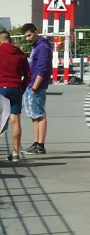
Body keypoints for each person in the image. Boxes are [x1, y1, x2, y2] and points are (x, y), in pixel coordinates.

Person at [20, 22, 51, 154]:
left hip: (36, 85)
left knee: (39, 114)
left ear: (36, 32)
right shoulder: (36, 46)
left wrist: (35, 86)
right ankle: (36, 142)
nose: (28, 38)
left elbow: (43, 68)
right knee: (34, 115)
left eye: (29, 35)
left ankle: (40, 144)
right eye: (26, 36)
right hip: (31, 84)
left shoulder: (42, 47)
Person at [0, 29, 30, 160]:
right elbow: (28, 75)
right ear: (10, 40)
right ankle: (16, 152)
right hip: (16, 88)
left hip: (1, 88)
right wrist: (21, 88)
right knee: (15, 121)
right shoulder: (20, 54)